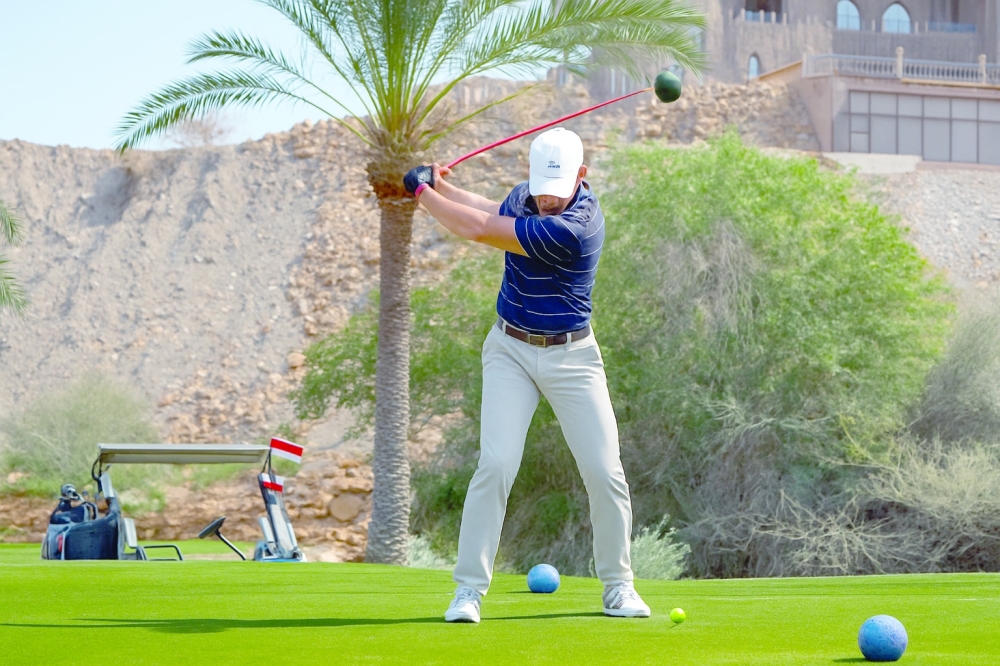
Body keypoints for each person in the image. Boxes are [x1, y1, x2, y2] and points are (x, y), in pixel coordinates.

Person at [404, 127, 649, 624]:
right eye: (541, 189)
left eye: (557, 191)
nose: (547, 200)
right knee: (495, 465)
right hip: (509, 351)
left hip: (573, 357)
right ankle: (468, 591)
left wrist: (422, 192)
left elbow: (480, 229)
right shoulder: (526, 196)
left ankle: (618, 587)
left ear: (582, 176)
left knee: (605, 472)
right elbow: (492, 210)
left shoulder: (576, 228)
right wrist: (443, 186)